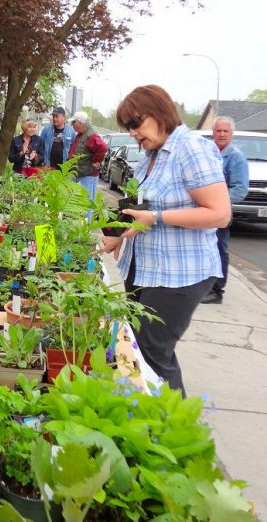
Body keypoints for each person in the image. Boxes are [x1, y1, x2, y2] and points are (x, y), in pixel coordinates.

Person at [101, 85, 231, 396]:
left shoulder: (191, 149)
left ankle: (174, 434)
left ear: (160, 112)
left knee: (153, 353)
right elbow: (152, 209)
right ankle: (147, 419)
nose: (132, 133)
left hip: (179, 275)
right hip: (147, 269)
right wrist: (124, 234)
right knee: (137, 349)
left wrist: (157, 219)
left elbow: (219, 213)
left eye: (135, 123)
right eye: (127, 127)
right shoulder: (151, 156)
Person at [201, 116, 249, 305]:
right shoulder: (208, 153)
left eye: (225, 131)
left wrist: (215, 200)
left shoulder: (236, 157)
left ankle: (217, 291)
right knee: (205, 248)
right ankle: (204, 286)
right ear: (212, 133)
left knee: (220, 249)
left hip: (220, 212)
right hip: (204, 211)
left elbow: (240, 189)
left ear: (231, 134)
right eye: (218, 131)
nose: (221, 134)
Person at [67, 111, 107, 200]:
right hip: (80, 174)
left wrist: (95, 161)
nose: (72, 125)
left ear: (80, 123)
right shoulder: (82, 134)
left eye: (74, 122)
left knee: (86, 203)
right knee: (79, 203)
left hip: (87, 176)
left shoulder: (91, 136)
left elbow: (102, 147)